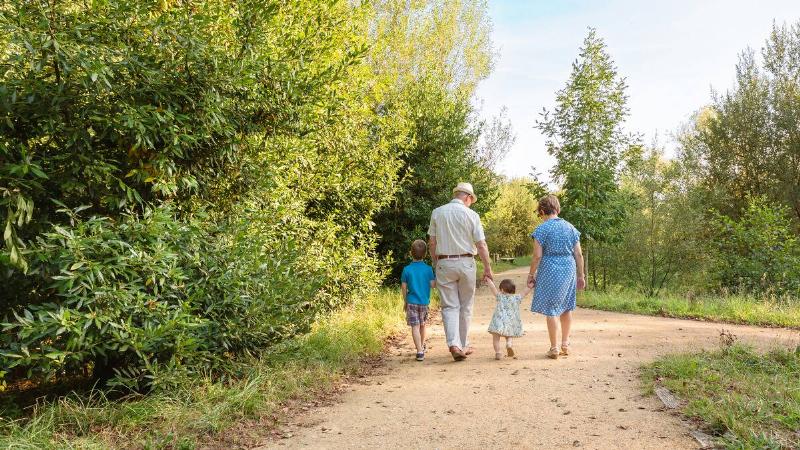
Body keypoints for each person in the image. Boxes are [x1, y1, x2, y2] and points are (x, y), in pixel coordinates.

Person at [428, 182, 494, 361]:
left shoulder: (437, 212)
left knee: (449, 306)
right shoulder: (472, 215)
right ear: (467, 197)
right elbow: (481, 244)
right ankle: (463, 344)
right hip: (466, 262)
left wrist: (436, 263)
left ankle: (454, 344)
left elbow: (432, 242)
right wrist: (487, 267)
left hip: (444, 262)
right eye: (471, 199)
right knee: (466, 306)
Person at [527, 194, 585, 359]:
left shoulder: (542, 229)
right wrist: (581, 275)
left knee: (551, 308)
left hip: (549, 269)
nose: (541, 217)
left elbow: (537, 256)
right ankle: (565, 345)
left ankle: (554, 348)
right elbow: (579, 254)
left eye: (540, 214)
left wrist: (531, 274)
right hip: (568, 268)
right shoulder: (571, 228)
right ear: (557, 209)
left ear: (543, 211)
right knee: (566, 307)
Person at [400, 240, 436, 361]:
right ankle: (422, 345)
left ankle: (419, 351)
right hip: (424, 302)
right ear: (425, 254)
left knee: (414, 326)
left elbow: (404, 287)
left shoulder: (407, 269)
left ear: (411, 253)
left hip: (412, 301)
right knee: (422, 325)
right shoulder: (428, 269)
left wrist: (405, 301)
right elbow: (433, 285)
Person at [485, 278, 531, 360]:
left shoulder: (500, 296)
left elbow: (493, 288)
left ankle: (498, 353)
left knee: (496, 337)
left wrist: (489, 280)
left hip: (498, 321)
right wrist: (530, 286)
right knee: (509, 334)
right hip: (510, 321)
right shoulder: (516, 298)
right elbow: (525, 293)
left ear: (502, 289)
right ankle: (509, 343)